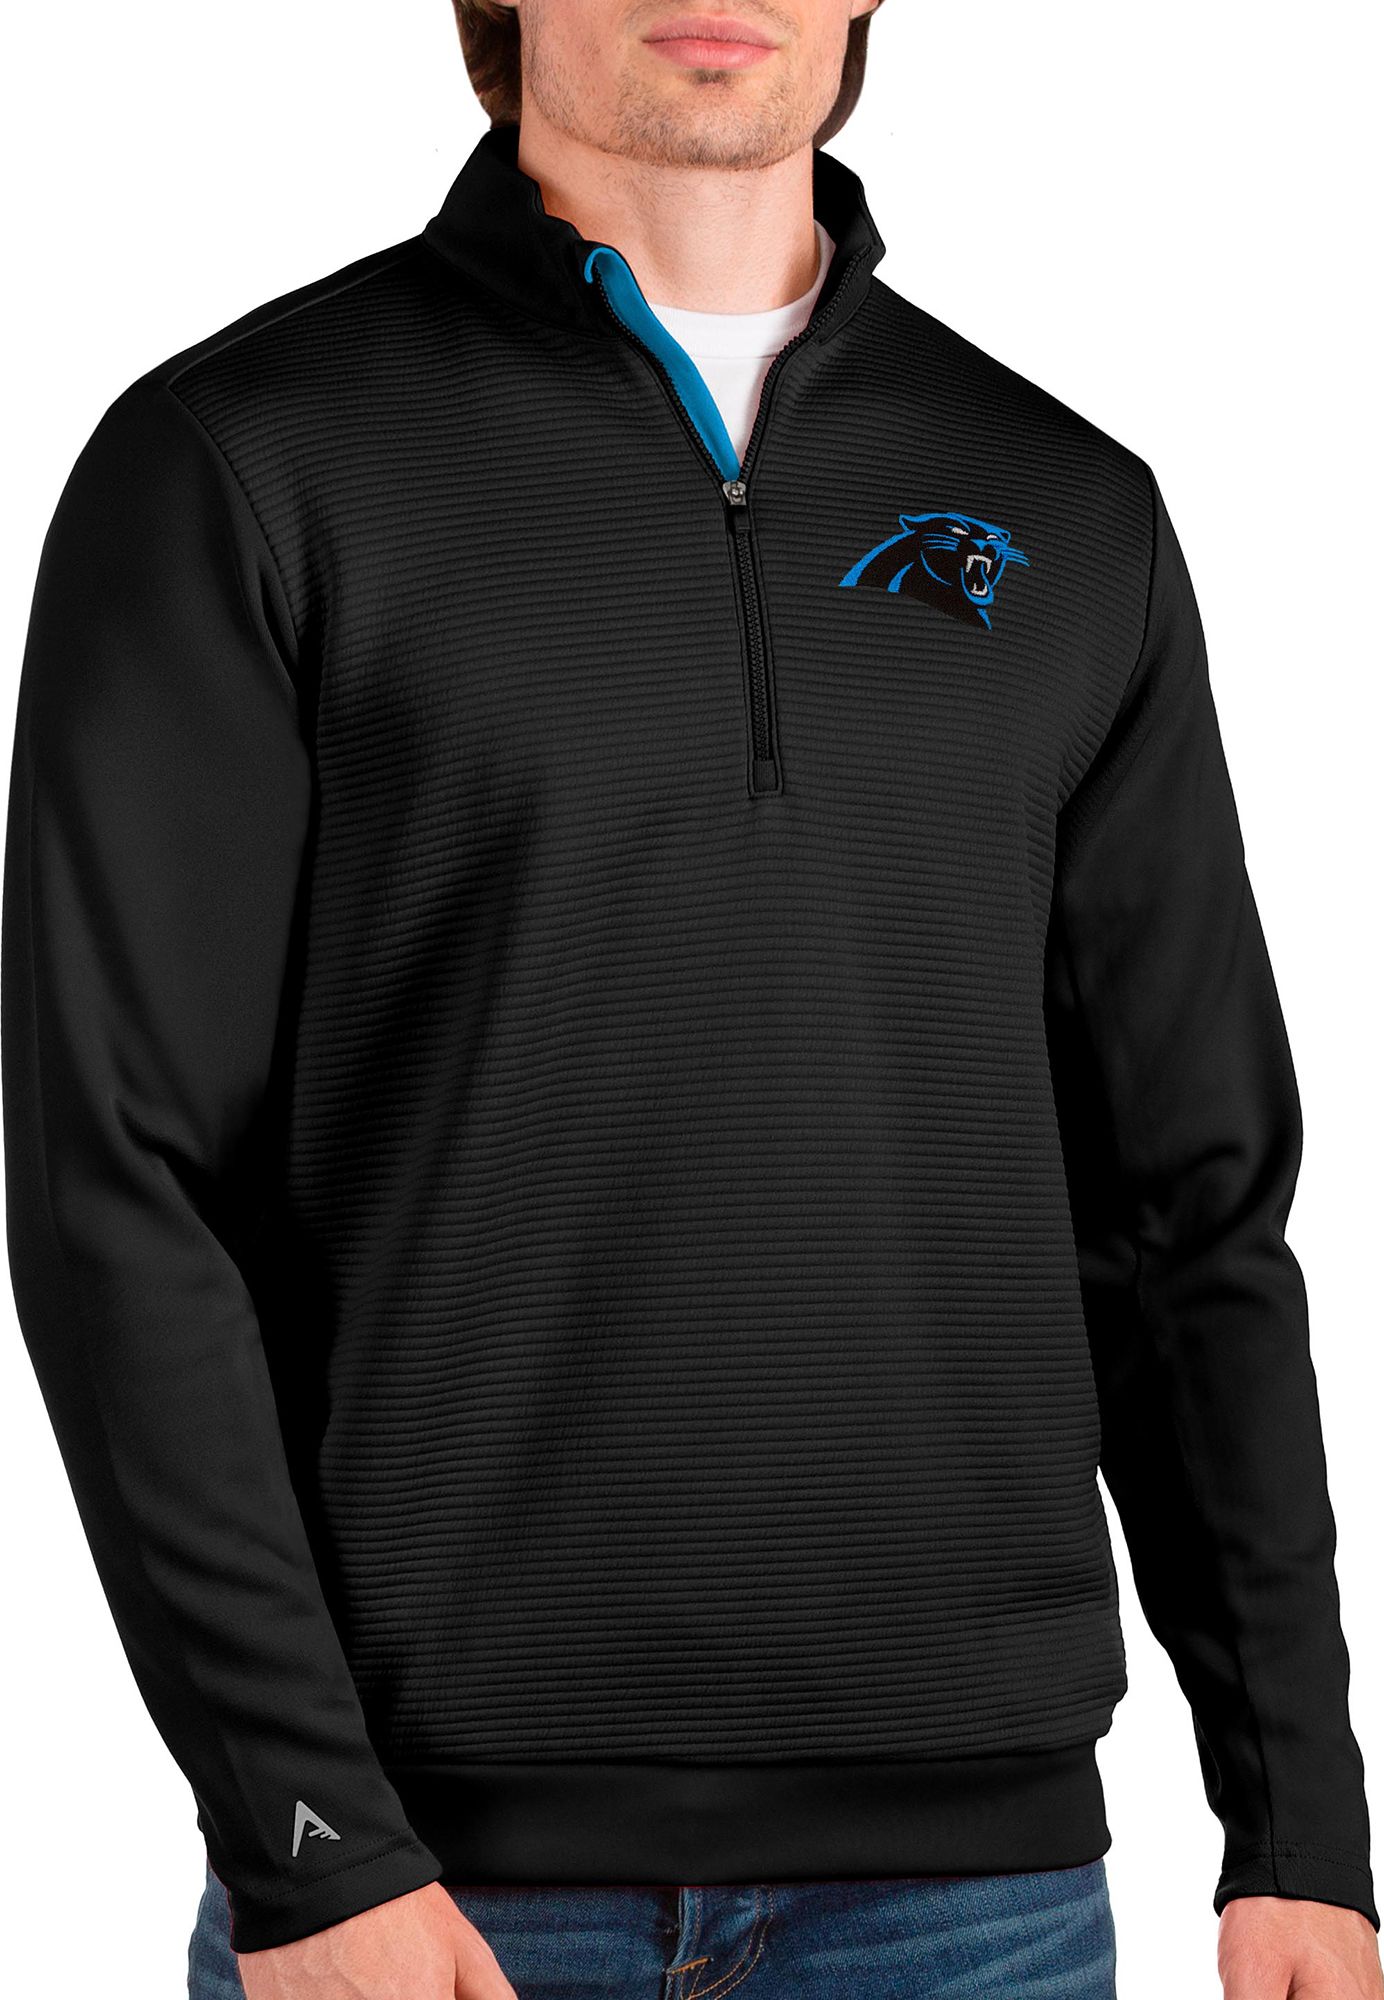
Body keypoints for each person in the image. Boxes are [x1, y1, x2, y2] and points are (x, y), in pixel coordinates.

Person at [3, 2, 1379, 1995]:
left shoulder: (1068, 508)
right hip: (433, 1892)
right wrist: (303, 1833)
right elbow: (118, 1185)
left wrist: (1301, 1824)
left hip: (972, 1903)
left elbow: (1189, 1216)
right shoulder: (243, 463)